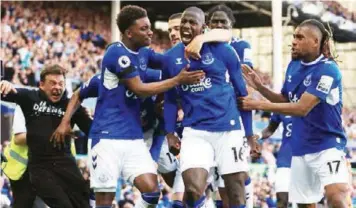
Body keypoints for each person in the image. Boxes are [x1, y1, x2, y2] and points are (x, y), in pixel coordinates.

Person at [51, 5, 206, 208]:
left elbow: (170, 61)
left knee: (152, 192)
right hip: (107, 137)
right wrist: (65, 122)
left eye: (150, 27)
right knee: (105, 201)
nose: (150, 32)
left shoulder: (144, 54)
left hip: (133, 139)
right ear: (129, 33)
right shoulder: (116, 53)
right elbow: (139, 89)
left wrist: (201, 39)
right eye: (144, 29)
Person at [239, 19, 349, 207]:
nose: (294, 41)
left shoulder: (328, 70)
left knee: (336, 197)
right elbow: (285, 100)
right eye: (294, 36)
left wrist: (258, 104)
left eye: (300, 37)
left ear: (316, 42)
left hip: (327, 146)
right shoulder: (294, 66)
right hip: (301, 148)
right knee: (305, 204)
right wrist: (259, 87)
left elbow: (301, 108)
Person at [164, 6, 257, 207]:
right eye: (184, 23)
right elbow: (170, 99)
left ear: (203, 28)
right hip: (194, 131)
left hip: (228, 130)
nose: (186, 26)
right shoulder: (171, 58)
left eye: (192, 23)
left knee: (235, 192)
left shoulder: (225, 51)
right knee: (192, 189)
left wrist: (249, 135)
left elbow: (242, 95)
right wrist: (170, 132)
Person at [0, 64, 92, 208]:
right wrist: (3, 84)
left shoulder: (71, 106)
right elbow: (6, 92)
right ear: (42, 85)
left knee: (84, 204)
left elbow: (93, 130)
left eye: (61, 83)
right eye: (53, 83)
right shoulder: (30, 97)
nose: (57, 87)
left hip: (67, 166)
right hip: (40, 168)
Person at [206, 4, 255, 208]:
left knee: (238, 174)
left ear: (231, 25)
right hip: (210, 117)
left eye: (223, 22)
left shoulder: (242, 46)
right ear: (207, 25)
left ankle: (248, 201)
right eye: (214, 22)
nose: (218, 25)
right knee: (218, 180)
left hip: (234, 116)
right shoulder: (201, 45)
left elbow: (246, 85)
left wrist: (250, 133)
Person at [1, 105, 47, 208]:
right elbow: (19, 139)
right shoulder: (24, 104)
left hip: (41, 171)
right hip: (20, 171)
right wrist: (46, 134)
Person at [260, 113, 293, 208]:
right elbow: (270, 129)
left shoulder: (310, 101)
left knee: (305, 202)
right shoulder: (281, 104)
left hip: (306, 156)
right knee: (282, 199)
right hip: (285, 158)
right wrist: (256, 136)